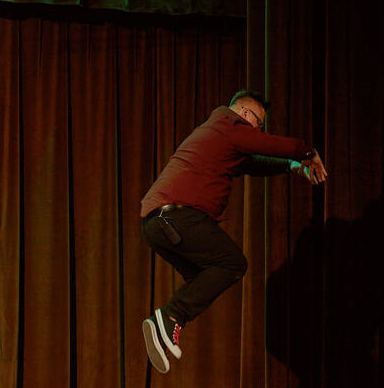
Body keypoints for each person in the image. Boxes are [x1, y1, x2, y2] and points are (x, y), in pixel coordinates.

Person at [140, 89, 328, 373]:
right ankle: (169, 316)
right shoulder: (229, 124)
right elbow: (270, 145)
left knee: (203, 278)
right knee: (232, 264)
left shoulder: (217, 135)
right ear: (244, 113)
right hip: (178, 218)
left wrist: (290, 166)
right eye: (258, 124)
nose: (258, 131)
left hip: (156, 224)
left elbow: (253, 163)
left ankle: (168, 324)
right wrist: (307, 153)